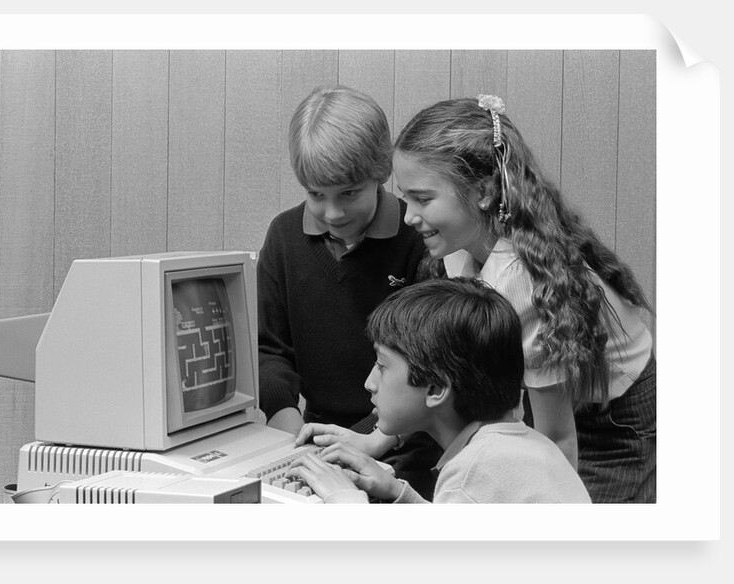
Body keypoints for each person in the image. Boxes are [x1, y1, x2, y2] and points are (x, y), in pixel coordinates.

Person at [387, 95, 656, 503]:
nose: (408, 216)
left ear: (482, 191)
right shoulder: (459, 247)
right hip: (548, 404)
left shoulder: (519, 281)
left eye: (423, 199)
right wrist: (376, 441)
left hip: (611, 423)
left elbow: (557, 443)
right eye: (404, 197)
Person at [256, 85, 443, 498]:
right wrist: (297, 439)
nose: (333, 212)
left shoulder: (419, 240)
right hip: (316, 436)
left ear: (380, 174)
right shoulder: (284, 236)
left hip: (407, 444)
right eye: (316, 195)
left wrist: (365, 440)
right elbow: (269, 351)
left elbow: (430, 368)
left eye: (349, 193)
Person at [286, 278, 591, 504]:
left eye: (381, 365)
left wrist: (346, 502)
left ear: (435, 389)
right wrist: (399, 493)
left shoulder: (473, 472)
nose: (370, 383)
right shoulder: (525, 447)